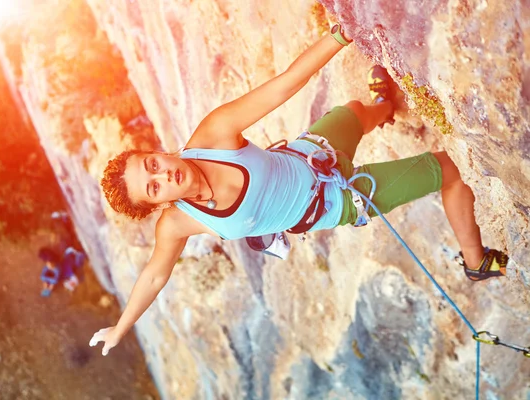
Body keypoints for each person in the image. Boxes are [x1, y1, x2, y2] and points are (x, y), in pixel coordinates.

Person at [89, 24, 509, 356]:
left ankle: (386, 107)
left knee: (356, 111)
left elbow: (284, 85)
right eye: (154, 187)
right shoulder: (177, 224)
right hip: (343, 198)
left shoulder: (212, 135)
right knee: (451, 169)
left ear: (157, 151)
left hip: (313, 151)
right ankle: (475, 261)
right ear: (158, 203)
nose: (163, 176)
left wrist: (341, 32)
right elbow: (155, 275)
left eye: (152, 165)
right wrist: (121, 326)